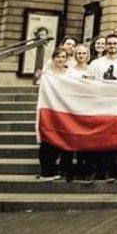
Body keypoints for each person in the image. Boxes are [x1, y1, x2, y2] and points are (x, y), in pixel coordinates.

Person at [37, 48, 74, 181]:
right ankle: (47, 170)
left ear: (67, 59)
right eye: (58, 56)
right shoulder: (47, 75)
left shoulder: (70, 73)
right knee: (48, 139)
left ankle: (65, 169)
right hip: (51, 109)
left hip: (66, 109)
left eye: (63, 57)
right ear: (53, 59)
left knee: (66, 138)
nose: (60, 59)